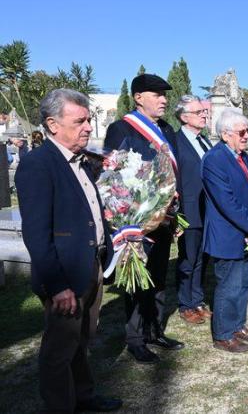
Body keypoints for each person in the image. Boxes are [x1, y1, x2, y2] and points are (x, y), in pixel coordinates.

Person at [15, 89, 122, 413]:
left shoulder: (85, 162)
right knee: (59, 351)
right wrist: (58, 286)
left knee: (83, 340)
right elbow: (37, 234)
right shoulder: (38, 164)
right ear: (52, 124)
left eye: (89, 119)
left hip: (91, 267)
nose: (89, 126)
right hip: (64, 277)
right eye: (80, 121)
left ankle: (84, 397)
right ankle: (62, 406)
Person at [104, 73, 183, 364]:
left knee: (160, 278)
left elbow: (175, 174)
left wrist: (176, 213)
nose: (164, 100)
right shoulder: (121, 128)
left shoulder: (167, 130)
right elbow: (115, 177)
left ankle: (155, 330)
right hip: (137, 222)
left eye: (165, 95)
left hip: (164, 219)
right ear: (139, 97)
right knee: (137, 282)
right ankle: (135, 338)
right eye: (157, 94)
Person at [202, 109, 248, 353]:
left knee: (243, 285)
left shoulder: (240, 156)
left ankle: (238, 326)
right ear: (225, 134)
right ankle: (223, 334)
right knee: (229, 287)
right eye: (242, 132)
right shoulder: (215, 159)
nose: (246, 136)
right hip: (227, 234)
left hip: (245, 233)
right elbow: (227, 203)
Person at [174, 95, 212, 324]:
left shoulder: (205, 141)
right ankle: (185, 303)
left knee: (202, 258)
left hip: (208, 209)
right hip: (188, 210)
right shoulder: (176, 142)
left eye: (204, 111)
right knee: (188, 259)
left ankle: (197, 300)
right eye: (199, 112)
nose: (204, 115)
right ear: (184, 117)